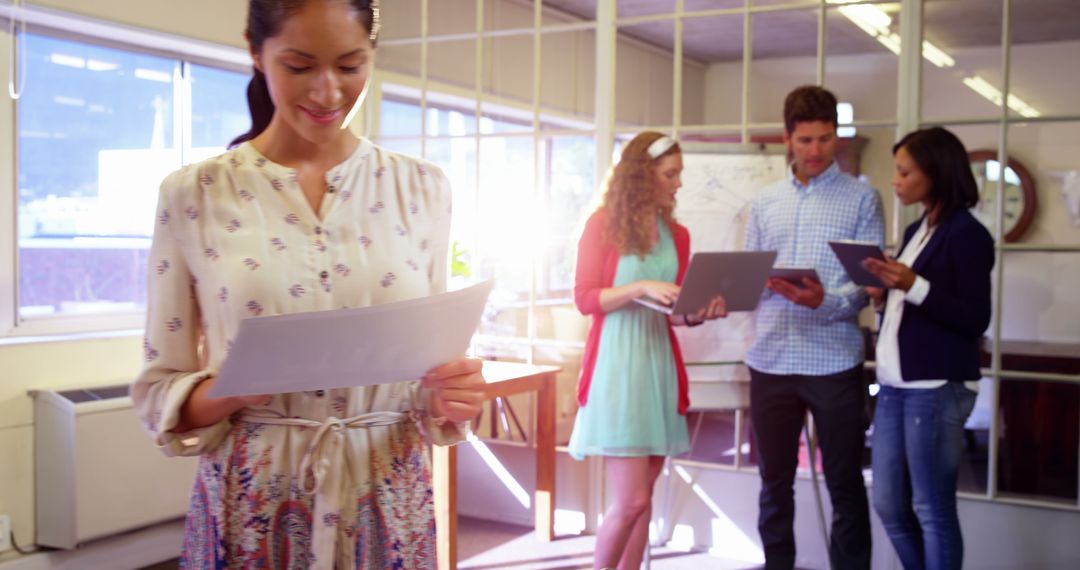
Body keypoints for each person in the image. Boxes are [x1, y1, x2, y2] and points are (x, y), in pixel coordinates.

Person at [130, 1, 486, 568]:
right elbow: (157, 393)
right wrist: (236, 387)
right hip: (252, 505)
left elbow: (429, 373)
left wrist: (451, 395)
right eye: (299, 67)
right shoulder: (194, 194)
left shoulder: (421, 188)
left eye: (350, 67)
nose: (327, 93)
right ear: (255, 51)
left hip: (388, 498)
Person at [568, 131, 728, 570]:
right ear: (643, 176)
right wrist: (638, 286)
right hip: (617, 368)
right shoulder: (601, 225)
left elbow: (672, 311)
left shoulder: (676, 234)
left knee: (643, 500)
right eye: (670, 174)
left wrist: (698, 313)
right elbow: (585, 299)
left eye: (679, 174)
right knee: (632, 500)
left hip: (657, 362)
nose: (677, 184)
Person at [743, 85, 884, 570]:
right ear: (787, 138)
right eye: (805, 140)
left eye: (825, 139)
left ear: (837, 137)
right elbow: (749, 282)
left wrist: (825, 301)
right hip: (771, 360)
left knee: (845, 485)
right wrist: (745, 286)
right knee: (773, 485)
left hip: (833, 361)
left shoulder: (863, 198)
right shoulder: (764, 203)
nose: (816, 151)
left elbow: (869, 285)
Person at [864, 127, 993, 570]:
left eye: (904, 172)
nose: (895, 180)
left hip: (936, 387)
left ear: (934, 174)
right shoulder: (919, 228)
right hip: (896, 385)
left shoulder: (967, 234)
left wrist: (911, 284)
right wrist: (886, 294)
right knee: (888, 505)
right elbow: (915, 303)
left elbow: (974, 318)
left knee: (931, 509)